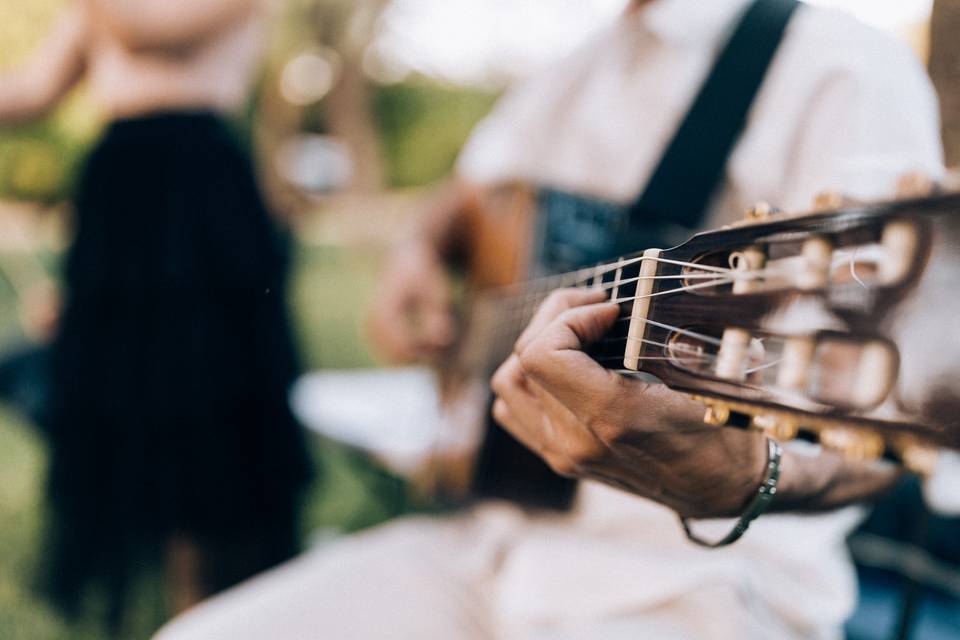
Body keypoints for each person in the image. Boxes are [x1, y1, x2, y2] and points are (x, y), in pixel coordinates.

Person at [155, 0, 944, 638]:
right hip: (490, 545)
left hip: (697, 594)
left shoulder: (845, 69)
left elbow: (892, 416)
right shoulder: (576, 67)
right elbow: (469, 195)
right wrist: (420, 250)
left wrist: (745, 476)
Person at [0, 0, 315, 630]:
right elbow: (35, 90)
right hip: (122, 195)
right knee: (132, 421)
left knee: (201, 430)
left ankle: (210, 606)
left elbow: (146, 31)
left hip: (196, 191)